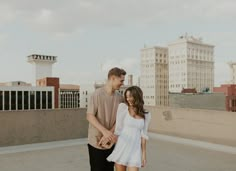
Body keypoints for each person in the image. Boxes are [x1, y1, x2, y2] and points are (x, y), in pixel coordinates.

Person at [87, 67, 126, 171]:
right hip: (96, 142)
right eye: (121, 80)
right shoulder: (96, 94)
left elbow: (120, 119)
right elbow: (90, 116)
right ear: (113, 78)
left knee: (109, 169)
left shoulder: (120, 98)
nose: (122, 83)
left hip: (111, 142)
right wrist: (105, 132)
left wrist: (109, 134)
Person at [107, 86, 151, 171]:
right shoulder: (123, 108)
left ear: (137, 96)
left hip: (135, 150)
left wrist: (143, 155)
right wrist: (110, 140)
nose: (128, 99)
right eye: (127, 97)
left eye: (130, 96)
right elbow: (118, 129)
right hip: (122, 147)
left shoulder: (146, 114)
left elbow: (144, 136)